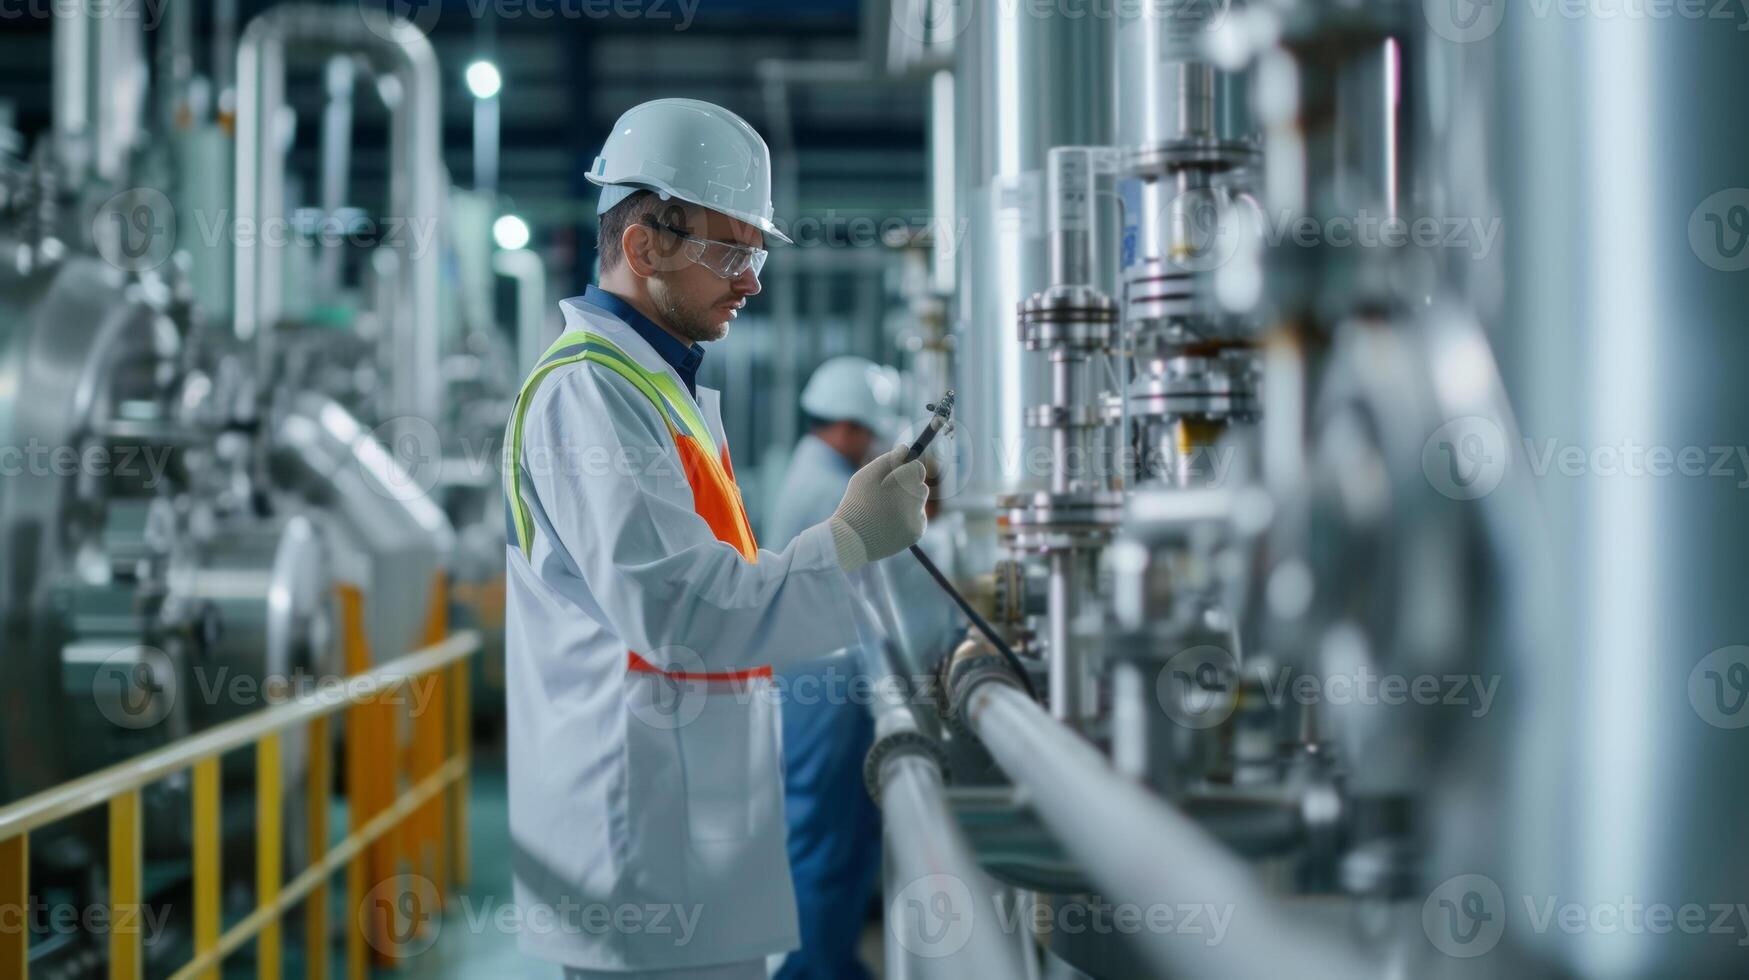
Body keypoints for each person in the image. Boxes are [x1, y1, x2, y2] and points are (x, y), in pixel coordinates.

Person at [502, 98, 928, 980]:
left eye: (755, 251)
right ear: (643, 245)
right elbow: (682, 611)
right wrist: (846, 542)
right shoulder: (590, 393)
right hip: (638, 849)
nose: (753, 280)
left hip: (682, 836)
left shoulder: (659, 391)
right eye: (731, 252)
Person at [764, 357, 900, 980]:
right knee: (823, 836)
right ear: (846, 427)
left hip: (823, 677)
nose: (873, 447)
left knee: (840, 834)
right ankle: (811, 970)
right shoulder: (827, 487)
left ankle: (829, 963)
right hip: (821, 683)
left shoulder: (814, 468)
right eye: (869, 434)